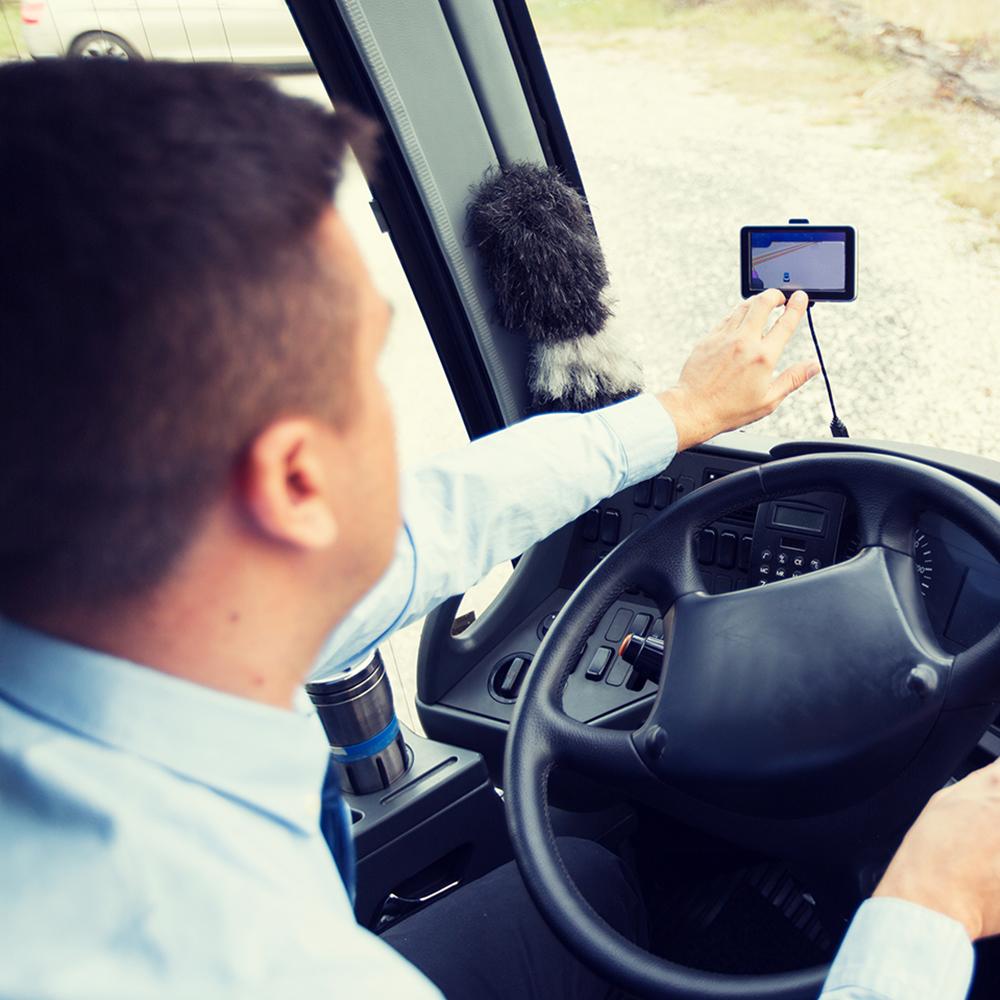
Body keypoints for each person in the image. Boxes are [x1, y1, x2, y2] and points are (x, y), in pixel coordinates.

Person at [0, 58, 990, 1000]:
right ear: (295, 480)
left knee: (596, 883)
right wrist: (925, 901)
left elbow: (434, 521)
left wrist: (677, 415)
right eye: (367, 371)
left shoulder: (119, 608)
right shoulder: (222, 958)